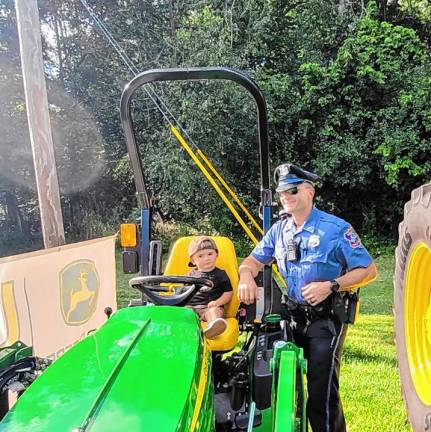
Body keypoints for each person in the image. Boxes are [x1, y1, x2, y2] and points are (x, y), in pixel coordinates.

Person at [237, 163, 377, 432]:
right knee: (279, 383)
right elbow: (252, 261)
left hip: (326, 320)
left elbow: (369, 270)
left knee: (321, 390)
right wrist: (245, 276)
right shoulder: (280, 230)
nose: (286, 197)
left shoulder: (335, 229)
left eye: (292, 190)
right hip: (291, 318)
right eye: (281, 193)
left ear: (310, 191)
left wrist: (332, 284)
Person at [186, 236, 233, 339]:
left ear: (216, 255)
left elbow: (228, 292)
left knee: (214, 311)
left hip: (208, 307)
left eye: (210, 254)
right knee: (182, 312)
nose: (206, 258)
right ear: (193, 260)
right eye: (200, 256)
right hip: (191, 307)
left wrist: (218, 302)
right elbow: (185, 292)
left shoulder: (221, 274)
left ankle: (213, 328)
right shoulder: (190, 275)